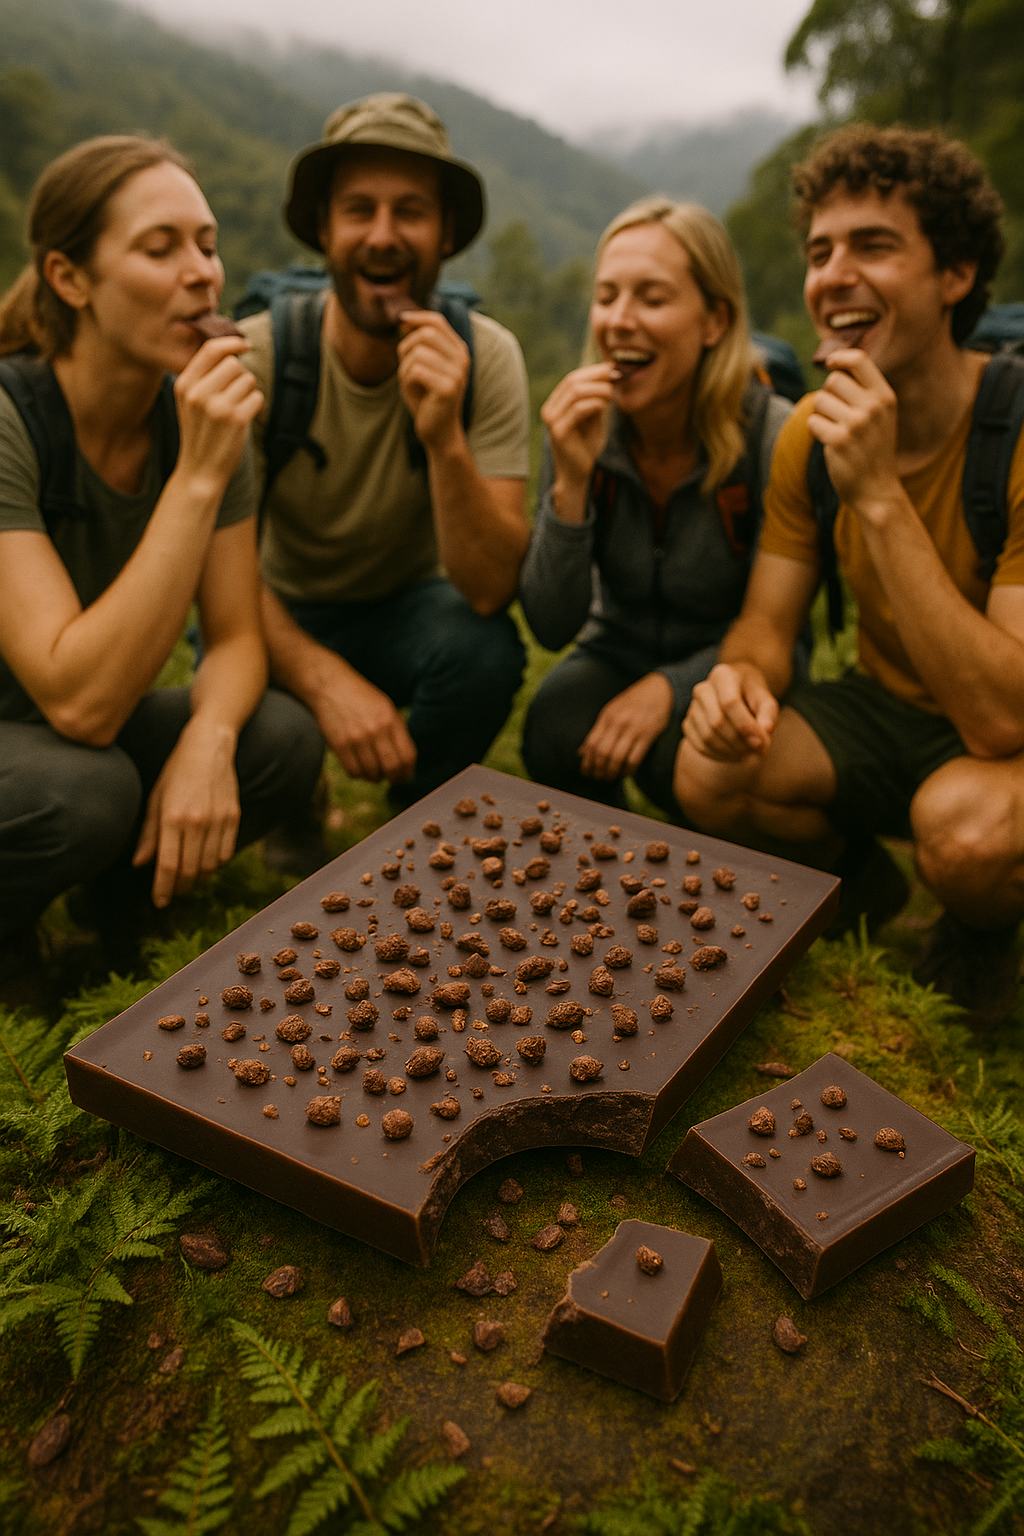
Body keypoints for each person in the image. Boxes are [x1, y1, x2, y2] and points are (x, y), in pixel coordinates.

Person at [674, 125, 1023, 1025]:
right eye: (821, 252)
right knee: (710, 772)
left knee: (970, 835)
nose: (834, 276)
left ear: (956, 275)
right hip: (884, 708)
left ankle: (981, 929)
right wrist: (739, 685)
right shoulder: (809, 432)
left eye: (873, 246)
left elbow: (1001, 715)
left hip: (1002, 736)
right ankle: (860, 885)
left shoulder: (1016, 432)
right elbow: (767, 622)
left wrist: (878, 494)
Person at [0, 135, 324, 972]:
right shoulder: (11, 419)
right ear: (69, 278)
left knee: (279, 738)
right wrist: (196, 479)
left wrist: (208, 742)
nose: (203, 273)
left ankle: (116, 908)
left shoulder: (197, 413)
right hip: (37, 737)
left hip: (64, 737)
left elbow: (236, 637)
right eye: (160, 248)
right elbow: (79, 704)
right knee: (85, 790)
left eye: (207, 246)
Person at [238, 92, 529, 849]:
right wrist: (324, 682)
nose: (383, 236)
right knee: (271, 728)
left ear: (447, 234)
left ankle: (414, 821)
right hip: (272, 605)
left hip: (405, 608)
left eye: (411, 212)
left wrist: (444, 438)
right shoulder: (259, 357)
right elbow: (218, 571)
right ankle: (293, 790)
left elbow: (491, 587)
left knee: (484, 654)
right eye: (359, 210)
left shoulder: (487, 357)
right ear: (324, 229)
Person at [519, 197, 795, 815]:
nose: (619, 321)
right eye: (607, 296)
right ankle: (611, 860)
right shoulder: (581, 425)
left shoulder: (773, 436)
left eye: (652, 298)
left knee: (686, 751)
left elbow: (782, 632)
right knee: (555, 727)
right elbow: (551, 625)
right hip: (618, 646)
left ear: (714, 321)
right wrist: (570, 482)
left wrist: (669, 689)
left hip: (737, 661)